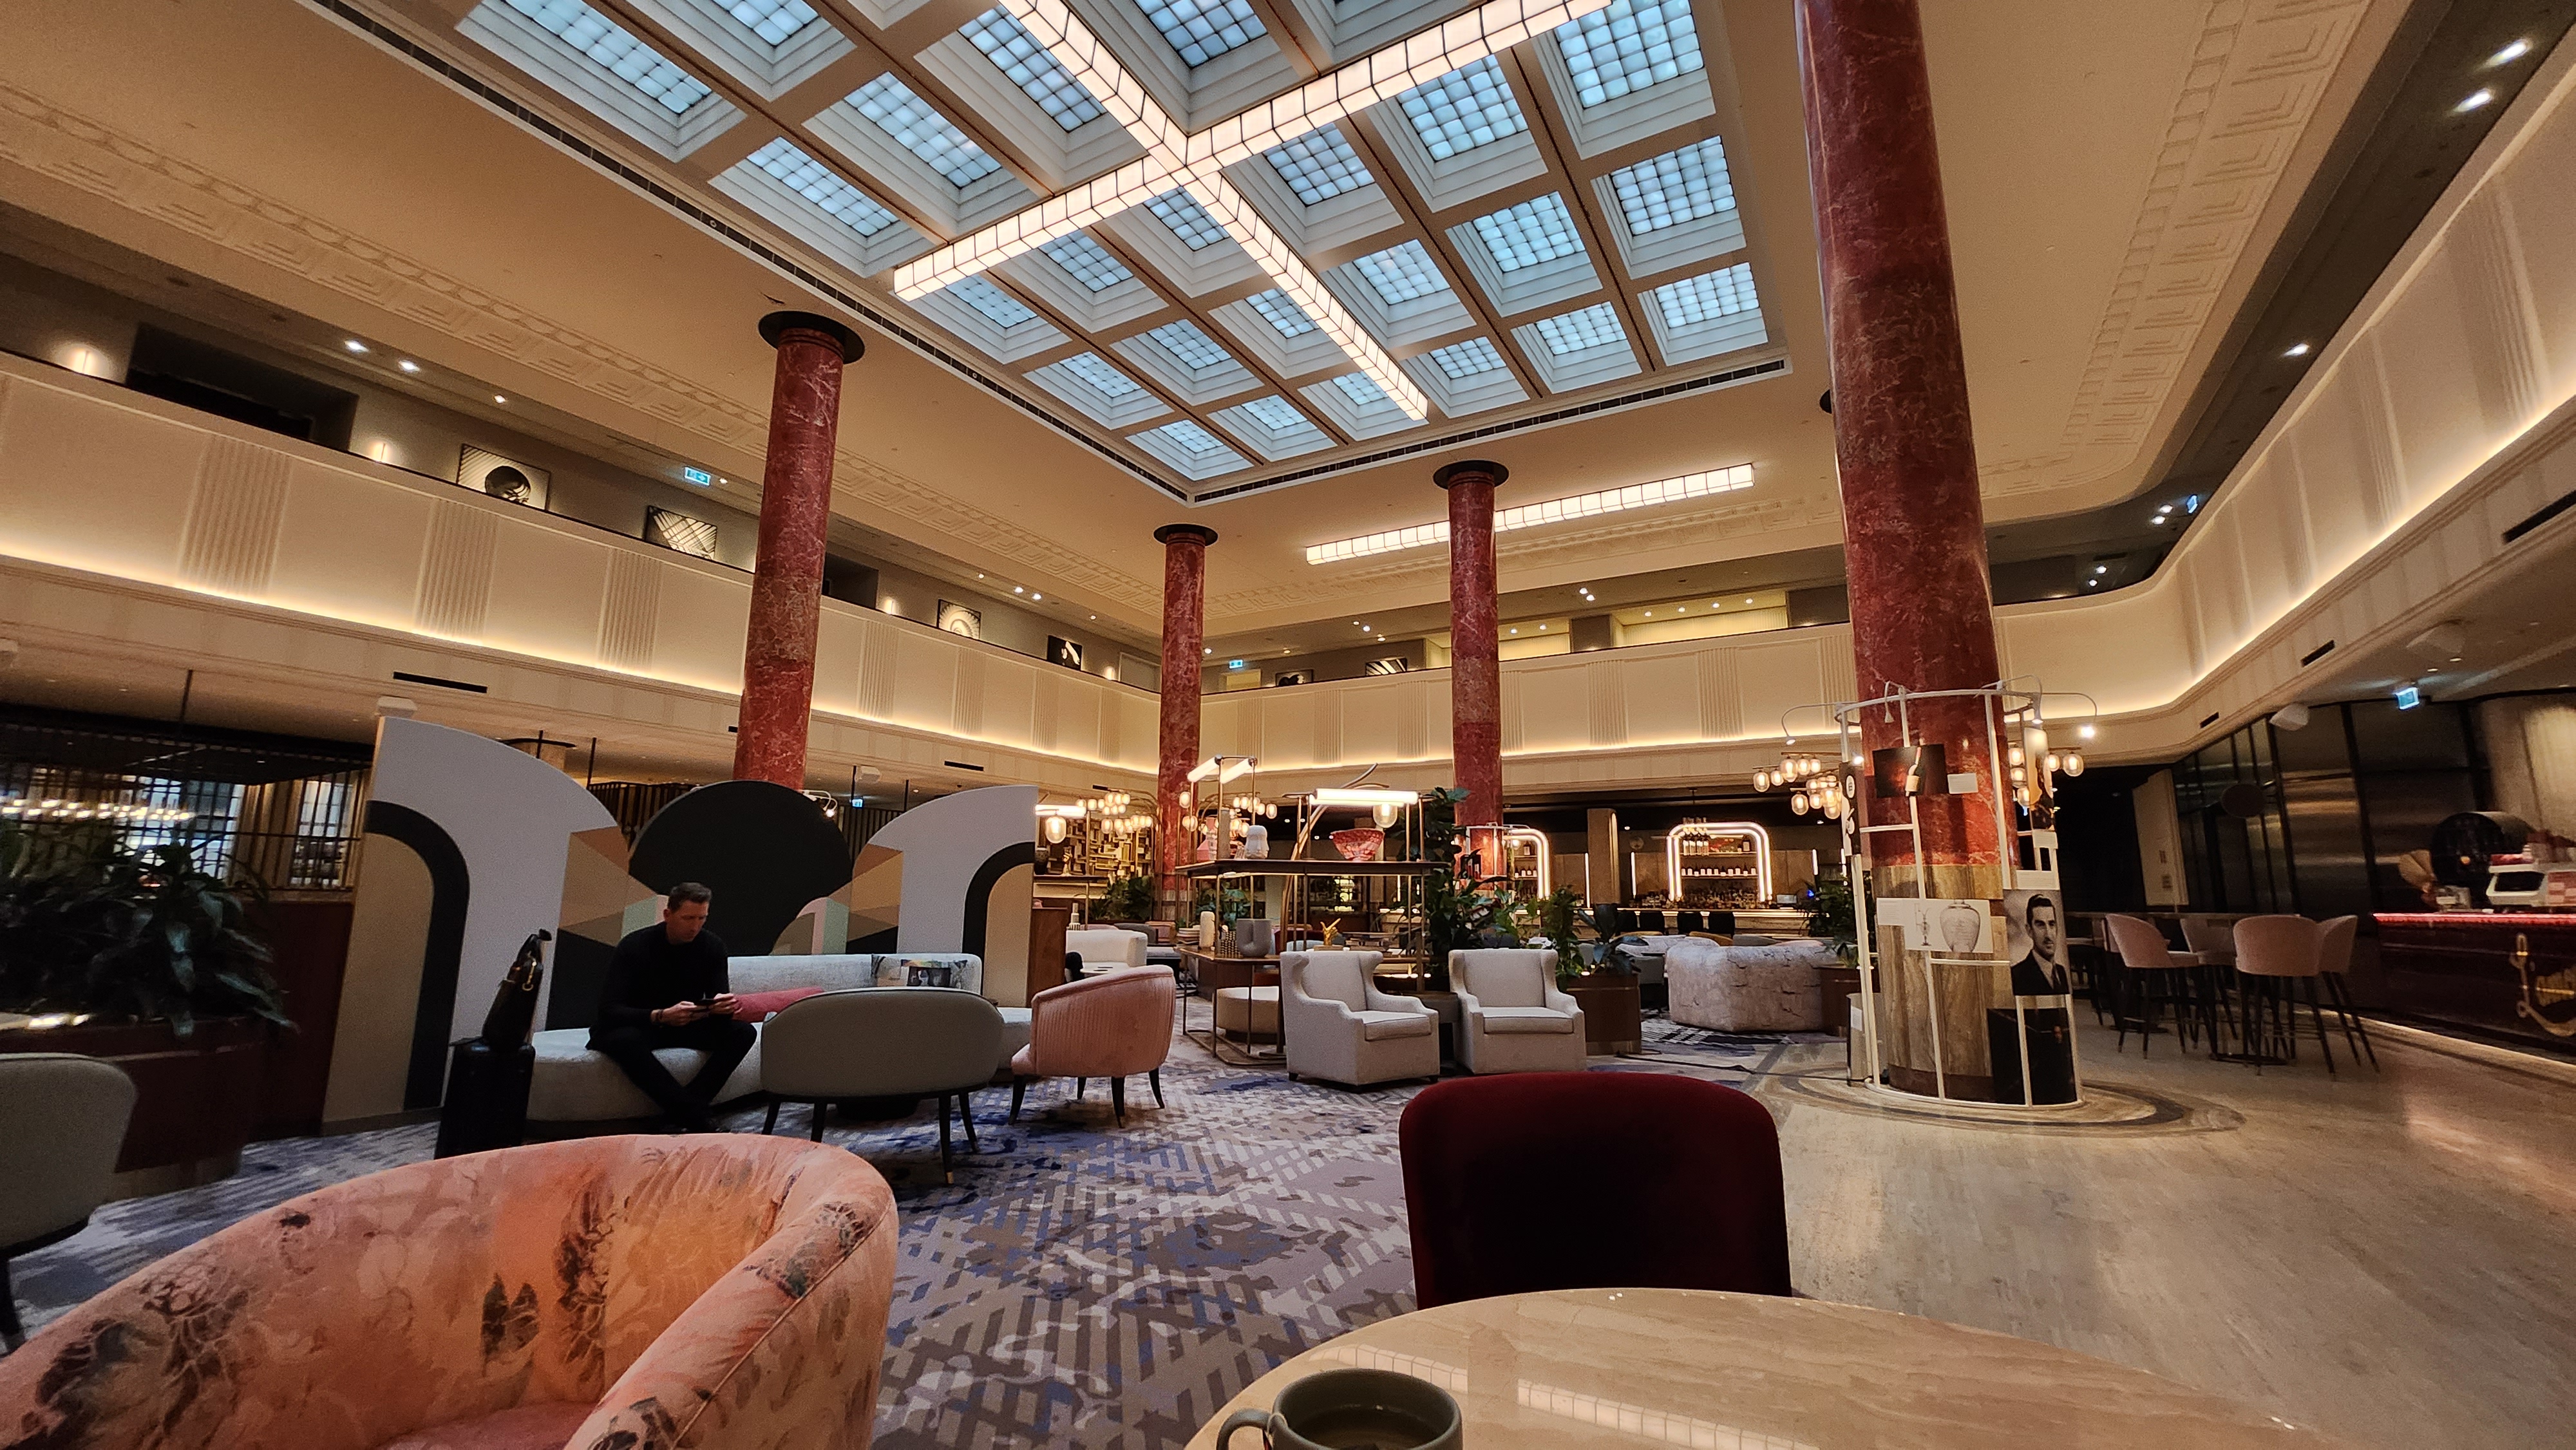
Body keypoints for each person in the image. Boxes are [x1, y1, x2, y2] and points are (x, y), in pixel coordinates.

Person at [589, 882, 754, 1132]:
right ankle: (695, 1116)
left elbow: (717, 1000)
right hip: (640, 1023)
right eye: (688, 918)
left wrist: (722, 1008)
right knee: (623, 1040)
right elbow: (609, 1009)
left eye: (702, 918)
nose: (695, 926)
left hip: (685, 1023)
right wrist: (660, 1016)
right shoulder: (635, 945)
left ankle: (681, 1112)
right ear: (668, 915)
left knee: (743, 1032)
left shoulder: (712, 946)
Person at [2010, 892, 2070, 996]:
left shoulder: (2061, 972)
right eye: (2041, 925)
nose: (2048, 934)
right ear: (2029, 930)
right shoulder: (2017, 975)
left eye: (2052, 924)